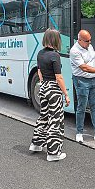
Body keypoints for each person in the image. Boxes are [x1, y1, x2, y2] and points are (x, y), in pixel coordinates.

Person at [29, 28, 70, 162]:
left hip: (43, 87)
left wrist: (44, 84)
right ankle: (53, 153)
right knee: (55, 120)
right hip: (53, 89)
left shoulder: (40, 53)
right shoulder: (55, 56)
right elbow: (59, 77)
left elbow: (40, 72)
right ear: (56, 40)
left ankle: (36, 144)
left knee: (44, 116)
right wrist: (66, 93)